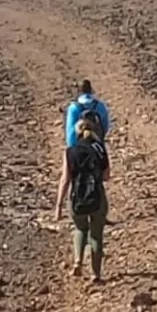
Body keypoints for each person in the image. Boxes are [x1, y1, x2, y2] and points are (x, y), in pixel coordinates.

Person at [59, 83, 113, 278]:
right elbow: (107, 176)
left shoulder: (74, 109)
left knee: (80, 228)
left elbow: (65, 180)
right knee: (97, 234)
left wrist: (58, 206)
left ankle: (77, 261)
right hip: (97, 195)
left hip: (77, 196)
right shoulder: (100, 108)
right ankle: (96, 274)